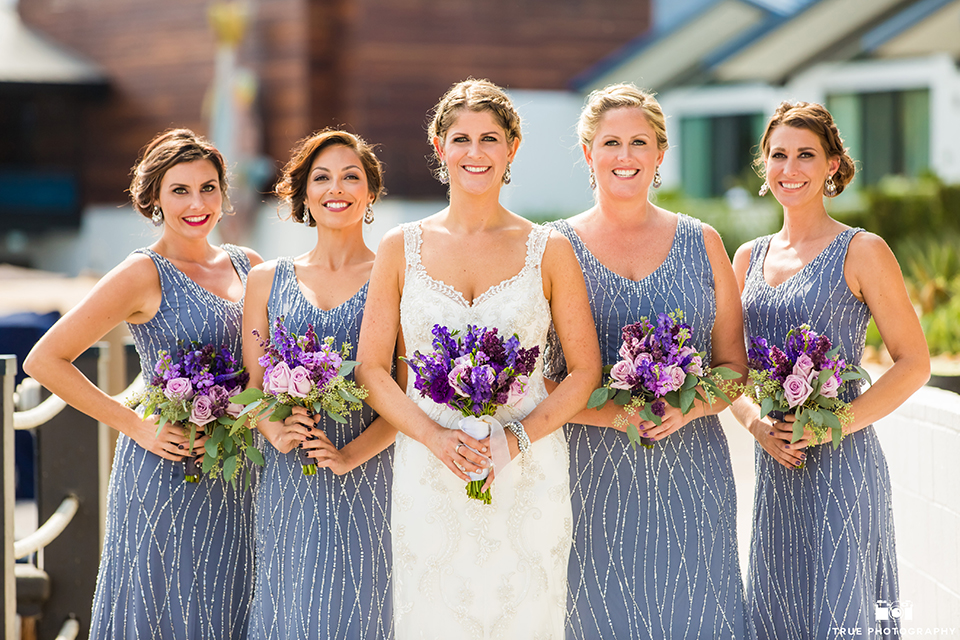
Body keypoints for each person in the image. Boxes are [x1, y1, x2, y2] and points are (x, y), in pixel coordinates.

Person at [355, 78, 601, 639]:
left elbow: (584, 371)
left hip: (528, 467)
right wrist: (434, 437)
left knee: (528, 613)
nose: (475, 152)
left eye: (489, 138)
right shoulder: (399, 247)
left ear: (512, 147)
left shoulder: (550, 248)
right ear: (439, 146)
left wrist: (515, 439)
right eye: (461, 138)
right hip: (430, 465)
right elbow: (372, 368)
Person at [24, 128, 263, 638]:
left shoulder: (252, 266)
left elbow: (266, 367)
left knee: (234, 606)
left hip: (242, 472)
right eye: (180, 190)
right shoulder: (142, 273)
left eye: (208, 188)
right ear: (154, 197)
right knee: (166, 610)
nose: (197, 203)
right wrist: (134, 425)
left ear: (224, 193)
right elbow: (45, 360)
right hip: (168, 471)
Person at [543, 83, 750, 639]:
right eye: (611, 142)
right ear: (589, 154)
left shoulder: (703, 241)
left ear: (660, 153)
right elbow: (544, 379)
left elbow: (734, 366)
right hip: (592, 478)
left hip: (693, 472)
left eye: (640, 142)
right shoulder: (552, 246)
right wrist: (614, 416)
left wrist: (689, 408)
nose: (626, 156)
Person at [730, 101, 930, 639]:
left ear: (832, 166)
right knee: (778, 609)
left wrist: (831, 423)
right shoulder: (747, 257)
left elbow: (914, 363)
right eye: (778, 155)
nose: (790, 168)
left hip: (844, 464)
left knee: (848, 610)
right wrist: (756, 425)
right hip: (776, 463)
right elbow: (731, 369)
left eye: (806, 155)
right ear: (763, 166)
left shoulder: (863, 250)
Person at [242, 129, 397, 639]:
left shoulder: (395, 277)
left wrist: (352, 454)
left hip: (371, 473)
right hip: (290, 480)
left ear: (370, 192)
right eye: (322, 177)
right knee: (293, 606)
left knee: (364, 607)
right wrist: (273, 429)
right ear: (304, 193)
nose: (337, 188)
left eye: (351, 176)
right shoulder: (266, 279)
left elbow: (404, 389)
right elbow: (254, 384)